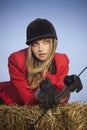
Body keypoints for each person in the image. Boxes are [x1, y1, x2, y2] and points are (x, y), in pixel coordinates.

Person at [0, 18, 82, 109]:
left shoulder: (62, 60)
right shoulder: (16, 60)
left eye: (46, 42)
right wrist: (40, 90)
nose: (41, 49)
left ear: (53, 43)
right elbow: (27, 100)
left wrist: (68, 88)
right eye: (35, 44)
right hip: (9, 103)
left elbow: (57, 100)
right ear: (30, 46)